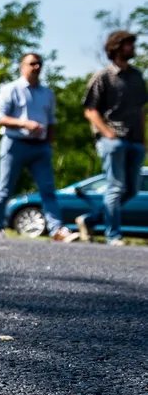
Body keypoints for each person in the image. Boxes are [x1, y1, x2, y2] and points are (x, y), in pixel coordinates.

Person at [0, 52, 79, 242]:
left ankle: (56, 230)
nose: (37, 67)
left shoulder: (48, 93)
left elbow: (52, 121)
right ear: (23, 67)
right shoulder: (10, 89)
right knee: (4, 188)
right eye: (33, 64)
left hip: (40, 147)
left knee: (48, 190)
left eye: (39, 64)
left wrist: (49, 144)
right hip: (14, 144)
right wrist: (24, 124)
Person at [75, 30, 145, 246]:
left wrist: (143, 139)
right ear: (116, 48)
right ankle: (113, 235)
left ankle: (89, 220)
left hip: (135, 140)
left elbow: (141, 109)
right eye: (128, 45)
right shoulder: (103, 76)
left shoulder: (136, 75)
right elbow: (90, 110)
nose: (132, 48)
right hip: (113, 139)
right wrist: (108, 134)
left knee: (131, 189)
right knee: (115, 187)